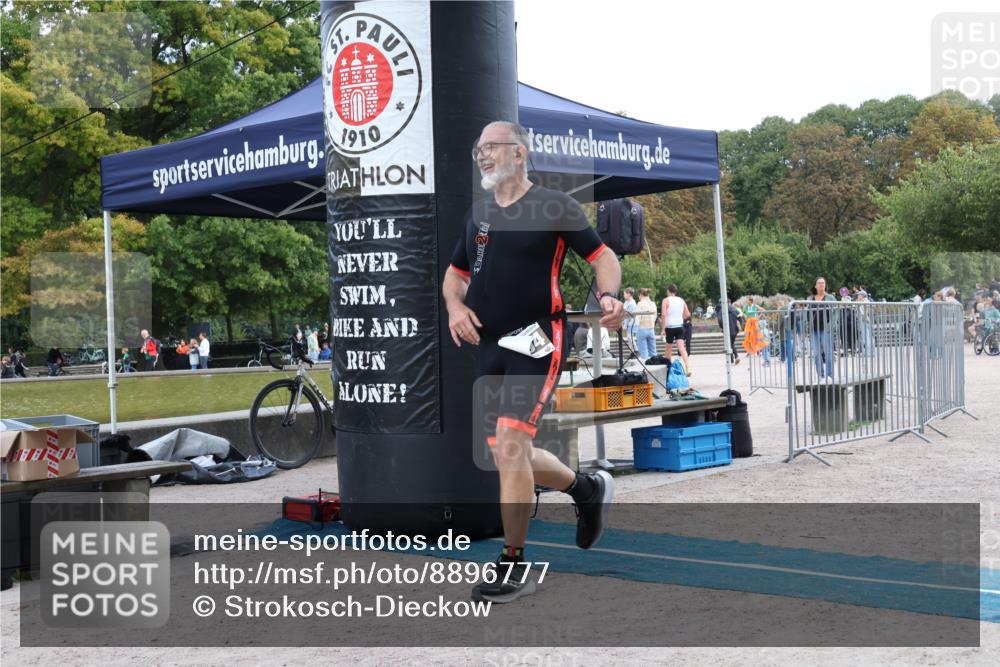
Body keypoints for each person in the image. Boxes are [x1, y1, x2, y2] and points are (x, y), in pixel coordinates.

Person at [443, 120, 622, 604]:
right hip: (490, 344)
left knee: (510, 447)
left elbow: (603, 257)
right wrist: (456, 308)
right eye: (476, 149)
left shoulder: (553, 205)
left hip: (536, 338)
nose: (481, 155)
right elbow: (453, 277)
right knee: (506, 454)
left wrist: (608, 295)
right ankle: (584, 489)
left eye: (490, 147)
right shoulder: (477, 214)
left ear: (519, 153)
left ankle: (513, 561)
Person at [808, 277, 838, 382]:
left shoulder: (830, 298)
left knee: (828, 352)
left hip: (826, 329)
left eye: (823, 283)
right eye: (819, 283)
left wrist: (831, 325)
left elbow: (836, 312)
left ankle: (829, 376)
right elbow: (807, 313)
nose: (821, 284)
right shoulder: (810, 299)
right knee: (816, 353)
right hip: (814, 329)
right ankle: (821, 376)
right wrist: (807, 324)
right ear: (815, 286)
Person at [661, 284, 692, 375]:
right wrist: (679, 317)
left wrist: (663, 329)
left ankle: (668, 369)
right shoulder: (681, 300)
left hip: (669, 327)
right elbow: (687, 315)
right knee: (682, 348)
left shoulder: (665, 300)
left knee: (669, 349)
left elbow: (663, 315)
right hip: (679, 326)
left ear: (668, 291)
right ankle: (688, 367)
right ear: (675, 291)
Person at [634, 288, 658, 360]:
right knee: (653, 353)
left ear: (640, 295)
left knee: (644, 354)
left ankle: (645, 368)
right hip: (651, 328)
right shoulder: (653, 304)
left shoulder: (640, 304)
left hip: (642, 328)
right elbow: (655, 316)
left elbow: (637, 318)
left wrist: (635, 329)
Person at [622, 287, 638, 353]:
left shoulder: (632, 303)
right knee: (629, 338)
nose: (624, 295)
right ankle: (632, 352)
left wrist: (625, 325)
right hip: (629, 322)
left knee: (630, 337)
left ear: (629, 294)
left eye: (624, 294)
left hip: (632, 322)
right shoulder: (626, 302)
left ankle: (636, 351)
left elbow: (629, 316)